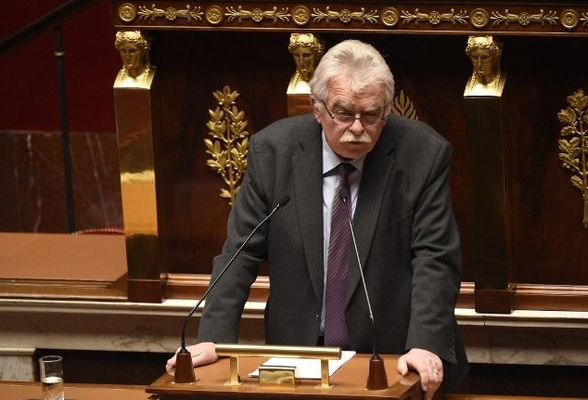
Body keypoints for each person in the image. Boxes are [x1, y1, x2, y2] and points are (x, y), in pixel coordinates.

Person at [167, 39, 468, 399]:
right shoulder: (273, 153)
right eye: (344, 113)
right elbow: (240, 255)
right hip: (298, 358)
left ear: (386, 112)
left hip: (392, 356)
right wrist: (214, 339)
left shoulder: (423, 155)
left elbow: (435, 257)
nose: (358, 128)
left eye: (371, 115)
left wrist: (425, 345)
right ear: (317, 109)